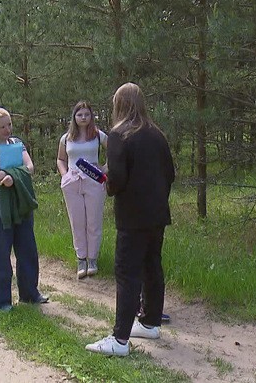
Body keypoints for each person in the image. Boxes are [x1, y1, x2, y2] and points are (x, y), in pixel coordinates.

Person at [85, 82, 175, 356]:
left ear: (119, 104)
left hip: (132, 215)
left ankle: (120, 339)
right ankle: (149, 322)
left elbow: (118, 179)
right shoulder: (157, 134)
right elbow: (170, 173)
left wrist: (108, 183)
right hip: (157, 213)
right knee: (151, 267)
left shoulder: (118, 134)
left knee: (126, 272)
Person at [0, 107, 48, 311]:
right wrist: (9, 175)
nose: (8, 129)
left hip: (21, 200)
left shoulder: (17, 143)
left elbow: (30, 167)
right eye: (2, 127)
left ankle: (30, 293)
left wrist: (10, 175)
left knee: (27, 249)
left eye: (9, 125)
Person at [56, 101, 108, 279]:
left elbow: (116, 152)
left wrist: (104, 169)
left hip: (94, 180)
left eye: (86, 114)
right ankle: (81, 259)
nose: (83, 117)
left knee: (93, 220)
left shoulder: (98, 135)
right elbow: (60, 159)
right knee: (77, 221)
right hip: (72, 181)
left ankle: (93, 259)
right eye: (80, 115)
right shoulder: (66, 138)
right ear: (74, 117)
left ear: (91, 116)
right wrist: (64, 176)